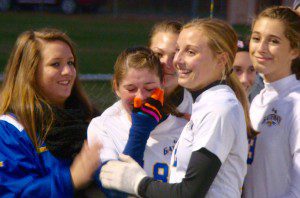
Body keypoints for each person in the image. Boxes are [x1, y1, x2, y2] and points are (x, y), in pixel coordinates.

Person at [100, 18, 257, 197]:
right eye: (179, 50)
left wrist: (138, 183)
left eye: (190, 52)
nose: (177, 60)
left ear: (221, 60)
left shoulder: (219, 107)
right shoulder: (208, 103)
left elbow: (190, 193)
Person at [0, 28, 101, 197]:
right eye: (56, 64)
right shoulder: (10, 130)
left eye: (71, 62)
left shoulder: (93, 118)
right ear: (30, 72)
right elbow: (12, 192)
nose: (68, 72)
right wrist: (71, 179)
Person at [88, 46, 192, 185]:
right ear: (116, 87)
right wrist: (140, 131)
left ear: (163, 83)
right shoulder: (103, 126)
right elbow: (116, 188)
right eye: (131, 89)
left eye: (149, 88)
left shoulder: (184, 128)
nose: (141, 97)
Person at [242, 6, 300, 198]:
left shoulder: (297, 105)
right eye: (256, 38)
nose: (261, 48)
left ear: (294, 50)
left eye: (274, 41)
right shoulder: (257, 99)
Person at [149, 20, 192, 120]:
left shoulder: (199, 112)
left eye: (174, 56)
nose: (166, 63)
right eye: (158, 54)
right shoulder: (115, 117)